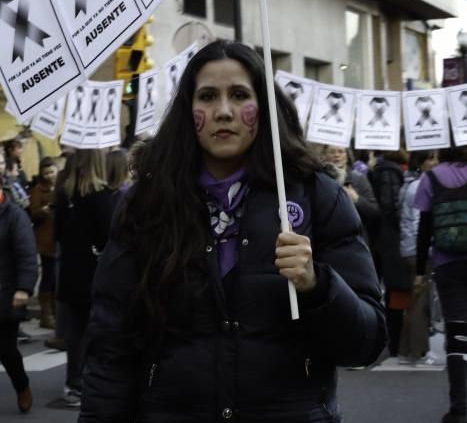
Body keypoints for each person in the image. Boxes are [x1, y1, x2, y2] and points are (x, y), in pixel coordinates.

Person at [78, 40, 386, 423]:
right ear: (188, 111)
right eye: (207, 96)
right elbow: (111, 344)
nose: (223, 111)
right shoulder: (147, 204)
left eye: (240, 95)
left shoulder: (316, 196)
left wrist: (318, 287)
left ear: (265, 107)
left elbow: (366, 344)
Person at [54, 150, 113, 407]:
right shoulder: (101, 196)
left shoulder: (64, 194)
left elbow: (58, 234)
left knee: (74, 333)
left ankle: (73, 383)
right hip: (93, 271)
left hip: (69, 271)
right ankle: (90, 382)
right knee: (96, 329)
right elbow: (108, 237)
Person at [414, 144, 467, 423]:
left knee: (458, 335)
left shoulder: (431, 178)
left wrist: (420, 270)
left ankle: (460, 409)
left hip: (448, 265)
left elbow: (424, 228)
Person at [369, 149, 412, 358]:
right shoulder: (390, 172)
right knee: (396, 289)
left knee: (389, 290)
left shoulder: (384, 170)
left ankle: (392, 341)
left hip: (385, 240)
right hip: (391, 240)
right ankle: (394, 343)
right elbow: (390, 205)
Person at [0, 181, 38, 413]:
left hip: (4, 295)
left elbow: (26, 254)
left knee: (6, 351)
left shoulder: (14, 215)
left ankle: (22, 386)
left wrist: (23, 288)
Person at [398, 150, 437, 365]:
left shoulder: (411, 183)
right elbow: (416, 223)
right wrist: (427, 249)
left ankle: (408, 349)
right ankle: (418, 352)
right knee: (420, 301)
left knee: (416, 300)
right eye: (430, 158)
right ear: (420, 163)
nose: (434, 162)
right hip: (416, 250)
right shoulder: (419, 186)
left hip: (409, 249)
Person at [321, 145, 380, 249]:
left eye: (341, 151)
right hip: (326, 241)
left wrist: (357, 199)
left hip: (355, 242)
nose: (336, 155)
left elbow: (374, 213)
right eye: (332, 152)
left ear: (347, 156)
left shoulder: (358, 179)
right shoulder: (318, 180)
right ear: (324, 155)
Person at [29, 157, 59, 329]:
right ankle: (46, 314)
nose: (49, 176)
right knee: (48, 275)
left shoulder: (63, 186)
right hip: (45, 240)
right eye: (46, 173)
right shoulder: (38, 190)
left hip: (59, 238)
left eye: (51, 172)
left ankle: (55, 311)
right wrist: (44, 209)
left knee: (56, 276)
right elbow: (33, 212)